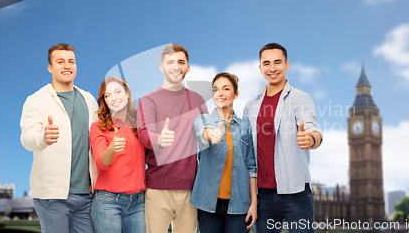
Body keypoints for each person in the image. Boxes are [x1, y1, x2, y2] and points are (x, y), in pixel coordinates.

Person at [243, 43, 323, 233]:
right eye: (267, 63)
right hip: (262, 195)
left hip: (295, 192)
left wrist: (311, 139)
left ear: (287, 65)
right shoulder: (250, 106)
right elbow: (246, 151)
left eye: (277, 62)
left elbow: (312, 129)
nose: (272, 68)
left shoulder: (300, 98)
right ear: (260, 68)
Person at [20, 43, 98, 233]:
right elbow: (27, 137)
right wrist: (43, 138)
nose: (67, 66)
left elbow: (98, 139)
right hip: (52, 196)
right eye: (60, 61)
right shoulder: (36, 100)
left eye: (71, 61)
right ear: (50, 68)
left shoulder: (88, 99)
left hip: (86, 194)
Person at [137, 44, 208, 233]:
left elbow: (205, 137)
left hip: (190, 190)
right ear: (162, 67)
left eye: (181, 62)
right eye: (170, 62)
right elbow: (144, 133)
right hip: (157, 190)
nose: (176, 67)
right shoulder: (148, 100)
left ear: (187, 68)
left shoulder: (198, 100)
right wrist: (159, 139)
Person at [190, 72, 257, 233]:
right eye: (215, 89)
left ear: (236, 93)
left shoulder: (245, 127)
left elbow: (251, 168)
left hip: (240, 205)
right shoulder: (203, 120)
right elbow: (202, 131)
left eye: (225, 89)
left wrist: (254, 203)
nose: (219, 93)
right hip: (208, 205)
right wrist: (209, 134)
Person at [89, 76, 146, 233]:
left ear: (127, 93)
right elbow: (101, 163)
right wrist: (112, 149)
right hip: (108, 203)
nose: (114, 98)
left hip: (138, 202)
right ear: (104, 101)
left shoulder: (140, 124)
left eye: (118, 91)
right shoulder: (98, 127)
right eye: (107, 95)